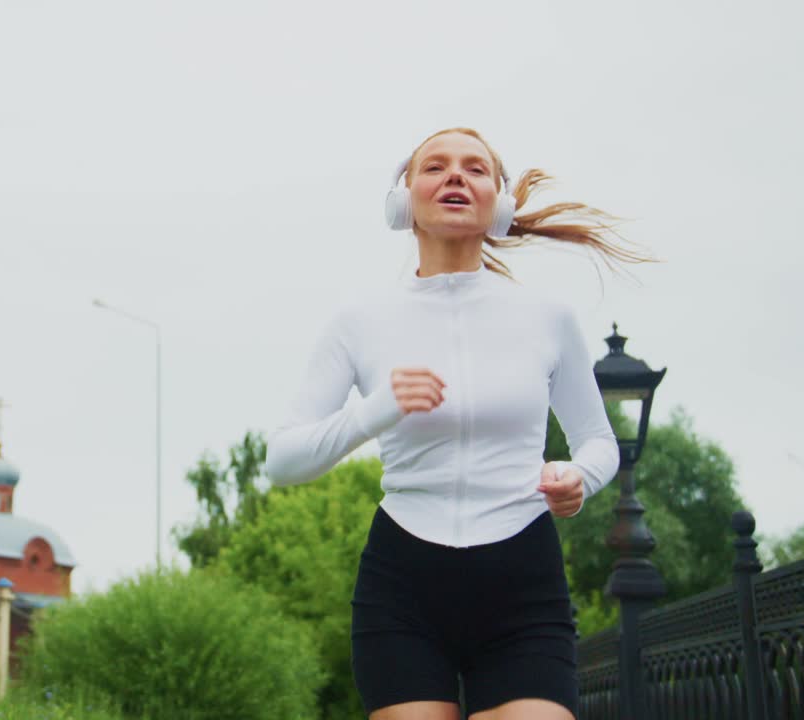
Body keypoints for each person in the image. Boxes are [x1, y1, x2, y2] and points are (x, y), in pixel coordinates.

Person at [264, 127, 647, 720]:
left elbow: (598, 442)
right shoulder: (360, 320)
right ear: (403, 199)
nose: (454, 176)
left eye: (474, 168)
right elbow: (282, 459)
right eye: (434, 166)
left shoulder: (546, 318)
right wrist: (376, 410)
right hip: (405, 583)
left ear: (500, 200)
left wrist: (579, 477)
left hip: (521, 579)